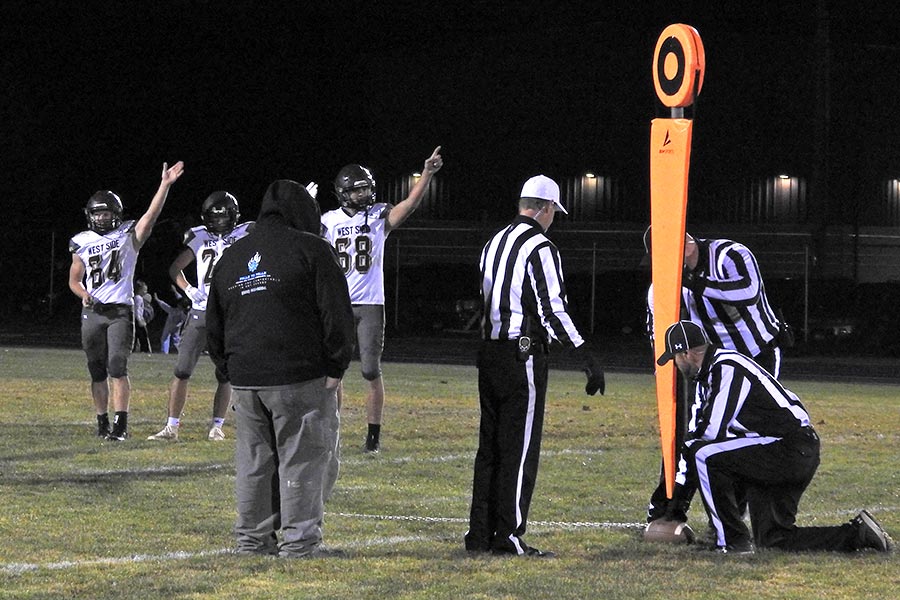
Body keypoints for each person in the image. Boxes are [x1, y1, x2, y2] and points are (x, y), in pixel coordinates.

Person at [206, 179, 355, 557]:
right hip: (298, 374)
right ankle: (300, 544)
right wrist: (336, 364)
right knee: (303, 459)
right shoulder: (312, 249)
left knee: (254, 463)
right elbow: (336, 312)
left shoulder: (232, 256)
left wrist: (229, 371)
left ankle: (252, 540)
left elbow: (214, 324)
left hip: (245, 378)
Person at [657, 319, 893, 554]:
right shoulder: (714, 372)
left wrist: (676, 505)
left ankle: (731, 541)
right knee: (774, 538)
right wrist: (677, 501)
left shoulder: (726, 367)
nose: (676, 365)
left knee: (704, 454)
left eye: (675, 358)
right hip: (789, 449)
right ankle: (857, 534)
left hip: (786, 449)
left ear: (685, 353)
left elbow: (710, 433)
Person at [464, 175, 605, 558]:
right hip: (521, 355)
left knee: (489, 448)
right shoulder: (541, 247)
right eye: (554, 211)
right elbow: (551, 309)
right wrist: (584, 355)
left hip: (489, 352)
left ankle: (479, 533)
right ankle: (508, 536)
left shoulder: (494, 241)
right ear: (545, 208)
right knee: (519, 449)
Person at [644, 227, 789, 522]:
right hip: (715, 366)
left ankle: (732, 515)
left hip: (757, 356)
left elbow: (746, 293)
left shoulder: (730, 255)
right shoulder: (665, 285)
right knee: (696, 431)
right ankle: (668, 508)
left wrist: (692, 281)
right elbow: (658, 331)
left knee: (747, 432)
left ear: (685, 246)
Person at [320, 146, 443, 453]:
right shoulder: (328, 221)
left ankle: (373, 436)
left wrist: (427, 174)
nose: (364, 194)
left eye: (366, 189)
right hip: (339, 304)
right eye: (358, 190)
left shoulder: (378, 215)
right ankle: (332, 430)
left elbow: (409, 205)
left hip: (371, 303)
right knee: (334, 371)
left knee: (370, 371)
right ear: (344, 193)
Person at [68, 161, 185, 441]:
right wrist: (84, 294)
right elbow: (74, 280)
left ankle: (120, 426)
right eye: (97, 213)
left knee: (118, 367)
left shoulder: (129, 235)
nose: (101, 218)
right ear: (89, 216)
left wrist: (164, 185)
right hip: (93, 312)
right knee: (97, 371)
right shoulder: (80, 241)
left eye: (106, 213)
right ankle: (102, 422)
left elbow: (151, 215)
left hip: (120, 311)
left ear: (116, 214)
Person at [148, 192, 254, 442]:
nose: (219, 222)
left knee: (225, 373)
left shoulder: (247, 233)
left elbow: (274, 232)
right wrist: (188, 289)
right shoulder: (199, 236)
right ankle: (171, 427)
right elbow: (175, 269)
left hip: (230, 311)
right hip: (201, 309)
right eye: (214, 218)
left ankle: (217, 426)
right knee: (182, 369)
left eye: (223, 217)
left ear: (234, 216)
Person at [154, 289, 189, 353]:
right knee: (176, 339)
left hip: (169, 326)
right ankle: (180, 351)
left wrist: (157, 300)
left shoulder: (173, 310)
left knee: (165, 338)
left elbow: (164, 305)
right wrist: (175, 291)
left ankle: (164, 352)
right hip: (176, 327)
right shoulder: (182, 312)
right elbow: (180, 299)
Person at [133, 280, 154, 353]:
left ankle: (134, 349)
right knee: (143, 335)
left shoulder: (137, 297)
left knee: (136, 335)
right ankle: (145, 349)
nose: (146, 292)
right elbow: (137, 309)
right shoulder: (138, 298)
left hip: (136, 319)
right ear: (139, 290)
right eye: (144, 290)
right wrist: (140, 320)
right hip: (138, 319)